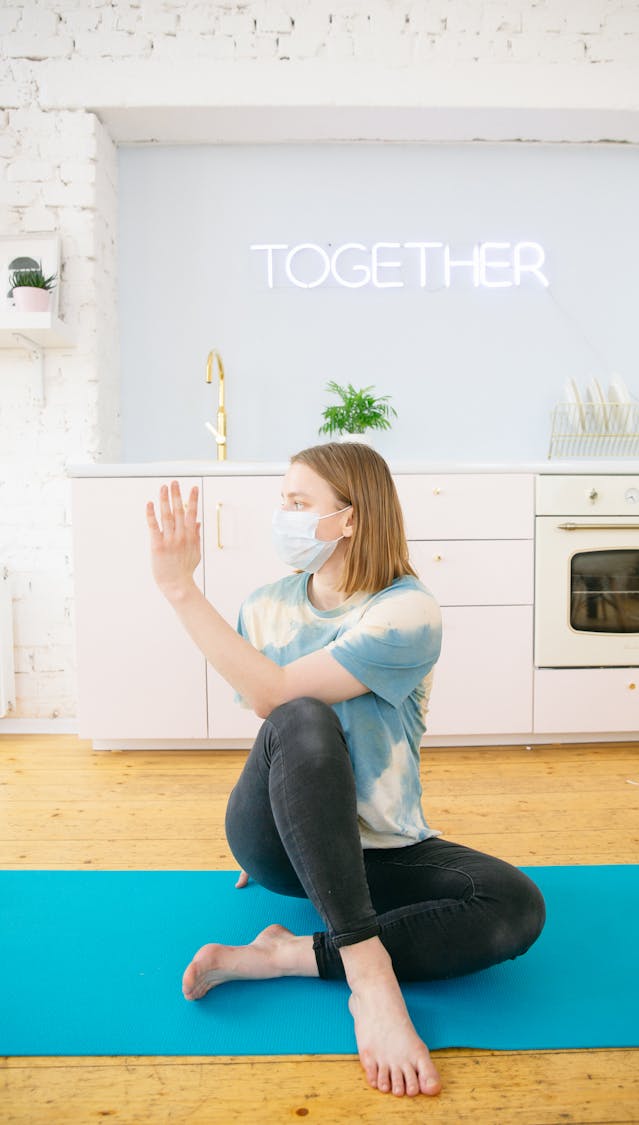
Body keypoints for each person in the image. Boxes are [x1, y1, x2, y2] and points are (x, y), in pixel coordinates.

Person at [146, 441, 545, 1099]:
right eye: (283, 501)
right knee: (301, 717)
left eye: (299, 503)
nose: (284, 515)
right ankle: (369, 977)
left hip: (384, 847)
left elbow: (275, 691)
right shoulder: (264, 605)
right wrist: (287, 821)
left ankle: (285, 954)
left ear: (351, 518)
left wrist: (179, 587)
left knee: (516, 905)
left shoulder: (405, 611)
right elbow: (277, 724)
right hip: (282, 847)